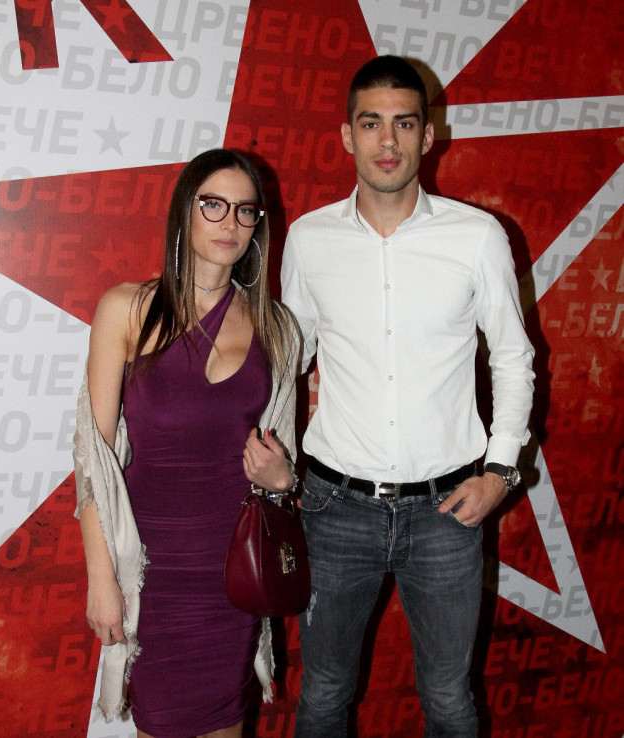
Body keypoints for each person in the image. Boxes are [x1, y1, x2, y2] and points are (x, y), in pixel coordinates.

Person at [281, 55, 535, 738]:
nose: (387, 141)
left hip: (447, 511)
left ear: (428, 134)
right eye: (371, 124)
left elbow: (513, 357)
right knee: (323, 693)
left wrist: (500, 472)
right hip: (333, 508)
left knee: (449, 699)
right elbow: (287, 362)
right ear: (347, 135)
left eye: (403, 123)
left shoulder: (477, 237)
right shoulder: (308, 239)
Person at [74, 148, 300, 738]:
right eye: (213, 205)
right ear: (185, 212)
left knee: (225, 724)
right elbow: (93, 458)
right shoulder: (126, 309)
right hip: (152, 571)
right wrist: (103, 580)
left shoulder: (277, 328)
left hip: (233, 569)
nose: (230, 223)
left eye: (245, 210)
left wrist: (283, 479)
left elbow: (282, 463)